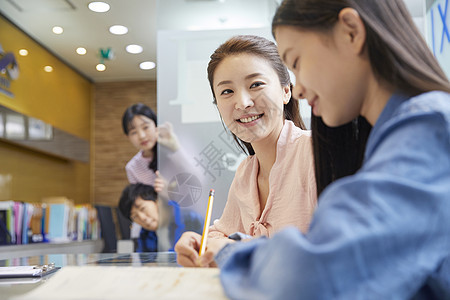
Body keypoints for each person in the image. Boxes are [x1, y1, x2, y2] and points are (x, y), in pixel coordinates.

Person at [208, 0, 450, 299]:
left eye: (296, 62)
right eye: (226, 91)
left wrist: (231, 251)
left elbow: (311, 276)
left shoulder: (430, 130)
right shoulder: (398, 135)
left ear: (351, 32)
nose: (299, 89)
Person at [175, 35, 317, 267]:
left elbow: (334, 249)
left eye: (256, 85)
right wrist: (198, 245)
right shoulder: (246, 172)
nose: (242, 103)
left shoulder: (314, 153)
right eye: (227, 92)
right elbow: (222, 235)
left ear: (286, 91)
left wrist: (237, 249)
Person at [122, 103, 195, 251]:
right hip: (157, 230)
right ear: (128, 137)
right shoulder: (132, 167)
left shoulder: (173, 150)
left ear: (156, 125)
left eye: (145, 127)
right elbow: (140, 202)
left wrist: (175, 148)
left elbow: (198, 178)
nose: (141, 135)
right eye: (133, 132)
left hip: (186, 220)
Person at [118, 183, 160, 252]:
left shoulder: (181, 220)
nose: (142, 218)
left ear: (156, 200)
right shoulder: (144, 236)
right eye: (135, 217)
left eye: (143, 208)